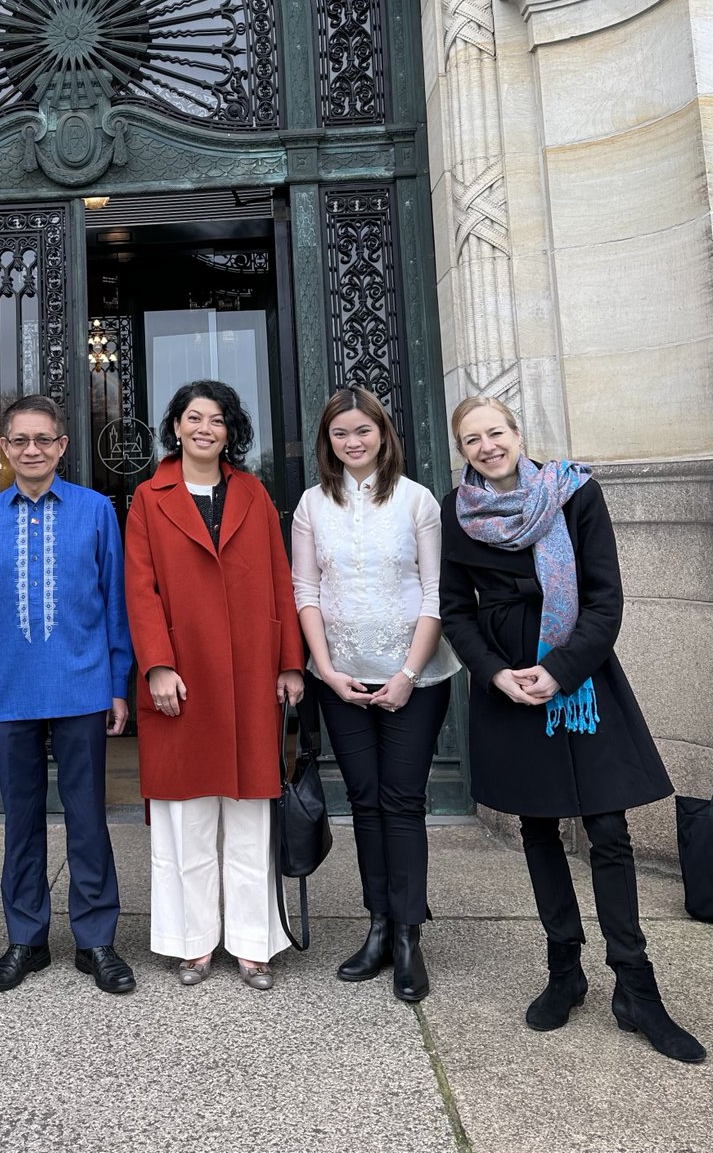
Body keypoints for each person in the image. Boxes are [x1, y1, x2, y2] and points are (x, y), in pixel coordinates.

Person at [439, 395, 704, 1063]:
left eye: (495, 432)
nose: (487, 446)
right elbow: (454, 610)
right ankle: (565, 972)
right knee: (536, 827)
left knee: (607, 829)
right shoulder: (456, 512)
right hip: (506, 684)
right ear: (462, 449)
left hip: (577, 677)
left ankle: (636, 987)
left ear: (517, 433)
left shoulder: (574, 493)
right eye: (472, 439)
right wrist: (496, 674)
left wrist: (558, 671)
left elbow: (605, 597)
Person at [124, 380, 304, 990]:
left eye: (218, 419)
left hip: (253, 672)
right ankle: (192, 942)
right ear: (174, 427)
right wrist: (158, 664)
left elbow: (280, 578)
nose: (205, 428)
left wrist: (288, 662)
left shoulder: (253, 493)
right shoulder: (148, 498)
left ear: (231, 432)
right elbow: (140, 589)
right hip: (183, 675)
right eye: (193, 417)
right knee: (186, 817)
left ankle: (255, 942)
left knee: (251, 813)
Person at [0, 395, 135, 994]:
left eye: (44, 439)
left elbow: (116, 603)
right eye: (19, 440)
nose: (31, 450)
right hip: (9, 694)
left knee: (88, 820)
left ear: (62, 446)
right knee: (21, 822)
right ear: (4, 449)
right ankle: (26, 939)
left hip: (83, 688)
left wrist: (117, 684)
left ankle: (96, 941)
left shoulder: (95, 512)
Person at [291, 387, 459, 1001]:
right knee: (363, 800)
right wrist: (326, 669)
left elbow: (437, 593)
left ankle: (411, 932)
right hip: (340, 679)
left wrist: (407, 674)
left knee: (402, 799)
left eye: (363, 430)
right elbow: (304, 591)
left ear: (383, 435)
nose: (353, 442)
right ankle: (379, 925)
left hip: (414, 676)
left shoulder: (416, 501)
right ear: (327, 442)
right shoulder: (312, 504)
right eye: (340, 433)